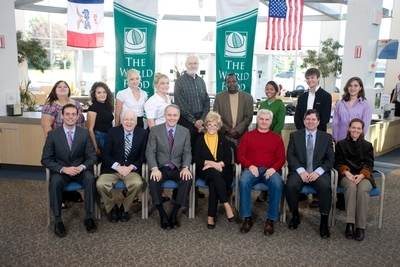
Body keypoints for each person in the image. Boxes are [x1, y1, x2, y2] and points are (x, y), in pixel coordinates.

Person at [41, 104, 97, 238]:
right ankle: (58, 220)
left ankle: (89, 217)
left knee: (90, 179)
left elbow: (92, 156)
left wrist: (82, 167)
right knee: (54, 183)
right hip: (62, 171)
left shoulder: (84, 133)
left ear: (78, 116)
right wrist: (63, 169)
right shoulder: (53, 134)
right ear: (62, 116)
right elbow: (45, 159)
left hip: (80, 170)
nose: (70, 117)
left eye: (73, 114)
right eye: (67, 114)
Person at [285, 109, 335, 239]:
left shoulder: (327, 137)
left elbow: (330, 159)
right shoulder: (295, 135)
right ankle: (295, 215)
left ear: (318, 122)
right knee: (290, 186)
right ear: (303, 121)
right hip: (300, 171)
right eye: (308, 119)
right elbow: (290, 156)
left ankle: (323, 223)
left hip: (318, 172)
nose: (310, 122)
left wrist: (318, 172)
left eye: (313, 119)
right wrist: (301, 171)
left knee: (325, 187)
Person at [237, 109, 285, 235]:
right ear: (257, 120)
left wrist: (273, 168)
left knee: (277, 183)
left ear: (271, 121)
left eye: (267, 119)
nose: (264, 122)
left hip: (270, 170)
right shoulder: (248, 136)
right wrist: (250, 165)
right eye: (261, 119)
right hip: (252, 168)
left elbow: (281, 158)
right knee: (243, 181)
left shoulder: (277, 138)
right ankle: (247, 218)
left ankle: (270, 220)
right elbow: (240, 155)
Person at [145, 104, 193, 230]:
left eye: (175, 115)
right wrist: (154, 168)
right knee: (153, 180)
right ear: (165, 116)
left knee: (187, 179)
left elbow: (187, 152)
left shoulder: (185, 131)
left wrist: (186, 167)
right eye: (169, 115)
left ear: (179, 117)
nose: (172, 118)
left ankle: (174, 213)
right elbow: (150, 152)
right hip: (161, 167)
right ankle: (162, 215)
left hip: (177, 168)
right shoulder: (155, 130)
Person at [96, 110, 147, 223]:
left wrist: (130, 167)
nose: (129, 122)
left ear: (136, 121)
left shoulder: (143, 133)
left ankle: (125, 208)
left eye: (131, 119)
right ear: (121, 120)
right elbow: (105, 155)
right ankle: (112, 207)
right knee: (100, 184)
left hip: (131, 170)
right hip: (112, 169)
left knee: (138, 183)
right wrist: (118, 167)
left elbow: (143, 156)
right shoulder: (113, 132)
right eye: (126, 119)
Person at [41, 80, 85, 207]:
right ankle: (59, 198)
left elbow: (81, 122)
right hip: (59, 144)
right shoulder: (51, 105)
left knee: (75, 168)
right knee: (61, 171)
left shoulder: (76, 104)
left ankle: (71, 194)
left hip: (77, 143)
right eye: (59, 86)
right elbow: (46, 125)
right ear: (55, 89)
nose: (62, 88)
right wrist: (54, 144)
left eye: (65, 86)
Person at [294, 68, 332, 208]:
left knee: (316, 161)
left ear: (318, 78)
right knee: (303, 160)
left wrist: (313, 130)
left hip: (318, 134)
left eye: (312, 78)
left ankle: (316, 195)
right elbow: (298, 116)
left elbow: (325, 117)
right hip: (302, 134)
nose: (310, 81)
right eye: (308, 78)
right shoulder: (303, 96)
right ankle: (302, 190)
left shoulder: (325, 96)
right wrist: (302, 132)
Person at [174, 55, 210, 198]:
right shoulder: (180, 82)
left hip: (200, 124)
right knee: (184, 155)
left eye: (195, 63)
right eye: (190, 63)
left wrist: (201, 120)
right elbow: (180, 104)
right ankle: (179, 190)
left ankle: (195, 189)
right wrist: (194, 121)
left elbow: (207, 101)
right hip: (186, 123)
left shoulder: (201, 81)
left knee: (197, 155)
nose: (193, 65)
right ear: (186, 64)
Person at [335, 118, 375, 241]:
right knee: (351, 187)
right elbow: (337, 162)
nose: (355, 130)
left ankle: (360, 227)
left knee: (362, 190)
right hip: (347, 175)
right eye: (353, 127)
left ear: (362, 130)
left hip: (363, 176)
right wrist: (346, 173)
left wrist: (362, 175)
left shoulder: (368, 146)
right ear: (349, 128)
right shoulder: (341, 144)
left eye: (359, 128)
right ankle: (350, 224)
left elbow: (369, 164)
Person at [193, 111, 235, 229]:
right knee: (214, 174)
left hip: (223, 170)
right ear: (205, 125)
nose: (212, 127)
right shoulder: (199, 140)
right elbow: (197, 159)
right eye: (209, 125)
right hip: (205, 170)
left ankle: (210, 216)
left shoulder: (223, 140)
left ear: (218, 126)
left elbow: (228, 158)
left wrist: (218, 165)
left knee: (214, 182)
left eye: (215, 125)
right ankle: (226, 205)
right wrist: (211, 163)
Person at [144, 72, 172, 203]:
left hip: (169, 134)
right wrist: (159, 139)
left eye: (167, 83)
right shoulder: (152, 101)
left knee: (165, 162)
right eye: (162, 83)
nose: (165, 86)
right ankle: (156, 192)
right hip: (158, 135)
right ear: (156, 85)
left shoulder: (168, 98)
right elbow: (151, 123)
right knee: (157, 162)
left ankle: (160, 191)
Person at [256, 80, 286, 203]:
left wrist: (270, 135)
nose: (269, 91)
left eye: (272, 89)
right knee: (262, 162)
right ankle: (264, 193)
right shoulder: (263, 104)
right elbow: (260, 120)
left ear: (276, 91)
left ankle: (272, 191)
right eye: (267, 89)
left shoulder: (280, 105)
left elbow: (280, 123)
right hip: (261, 138)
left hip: (274, 138)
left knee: (272, 163)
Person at [212, 73, 253, 150]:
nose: (231, 84)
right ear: (225, 83)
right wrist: (227, 130)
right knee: (225, 160)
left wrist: (237, 130)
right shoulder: (219, 97)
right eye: (229, 82)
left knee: (240, 160)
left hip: (241, 135)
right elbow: (216, 116)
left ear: (237, 82)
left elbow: (249, 116)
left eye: (234, 81)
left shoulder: (248, 98)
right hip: (224, 136)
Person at [332, 77, 372, 143]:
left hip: (357, 140)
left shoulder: (366, 105)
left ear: (360, 88)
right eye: (350, 85)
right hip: (341, 139)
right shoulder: (340, 103)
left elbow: (365, 124)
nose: (352, 88)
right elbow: (335, 122)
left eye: (355, 86)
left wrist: (358, 138)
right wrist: (336, 139)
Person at [87, 82, 114, 160]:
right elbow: (90, 129)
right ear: (94, 95)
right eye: (99, 92)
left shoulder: (107, 106)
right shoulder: (93, 108)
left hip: (108, 136)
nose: (102, 94)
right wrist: (95, 147)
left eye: (104, 92)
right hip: (99, 138)